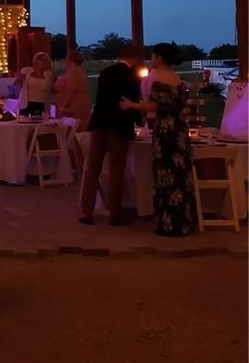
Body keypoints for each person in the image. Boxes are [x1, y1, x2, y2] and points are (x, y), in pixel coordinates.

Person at [120, 43, 196, 237]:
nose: (151, 59)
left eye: (153, 56)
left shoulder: (157, 78)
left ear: (159, 58)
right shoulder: (177, 79)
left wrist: (131, 105)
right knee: (179, 177)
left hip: (166, 131)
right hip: (179, 131)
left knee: (166, 177)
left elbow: (153, 106)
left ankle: (168, 223)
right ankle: (183, 221)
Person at [79, 43, 141, 226]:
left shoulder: (105, 73)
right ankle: (115, 213)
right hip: (118, 127)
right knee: (117, 170)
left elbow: (100, 100)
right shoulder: (131, 76)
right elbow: (131, 103)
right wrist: (139, 121)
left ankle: (86, 211)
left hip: (99, 124)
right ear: (134, 58)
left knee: (92, 168)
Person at [55, 49, 92, 131]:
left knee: (70, 132)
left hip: (73, 109)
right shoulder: (80, 71)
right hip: (79, 106)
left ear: (69, 59)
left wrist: (63, 106)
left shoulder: (74, 70)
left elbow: (72, 89)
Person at [17, 52, 55, 116]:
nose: (42, 63)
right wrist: (19, 79)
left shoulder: (49, 76)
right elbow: (17, 83)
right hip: (26, 104)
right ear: (35, 62)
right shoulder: (27, 72)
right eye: (40, 60)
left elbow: (53, 89)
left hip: (41, 104)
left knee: (39, 121)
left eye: (44, 61)